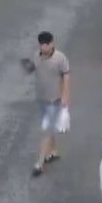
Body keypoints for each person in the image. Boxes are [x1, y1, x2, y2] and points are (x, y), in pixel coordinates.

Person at [22, 31, 70, 177]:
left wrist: (65, 97)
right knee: (51, 129)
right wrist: (27, 66)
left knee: (46, 130)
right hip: (42, 99)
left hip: (54, 100)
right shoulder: (37, 56)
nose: (43, 48)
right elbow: (32, 69)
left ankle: (39, 163)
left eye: (46, 45)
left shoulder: (60, 59)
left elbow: (66, 78)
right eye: (41, 45)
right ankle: (53, 152)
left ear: (52, 43)